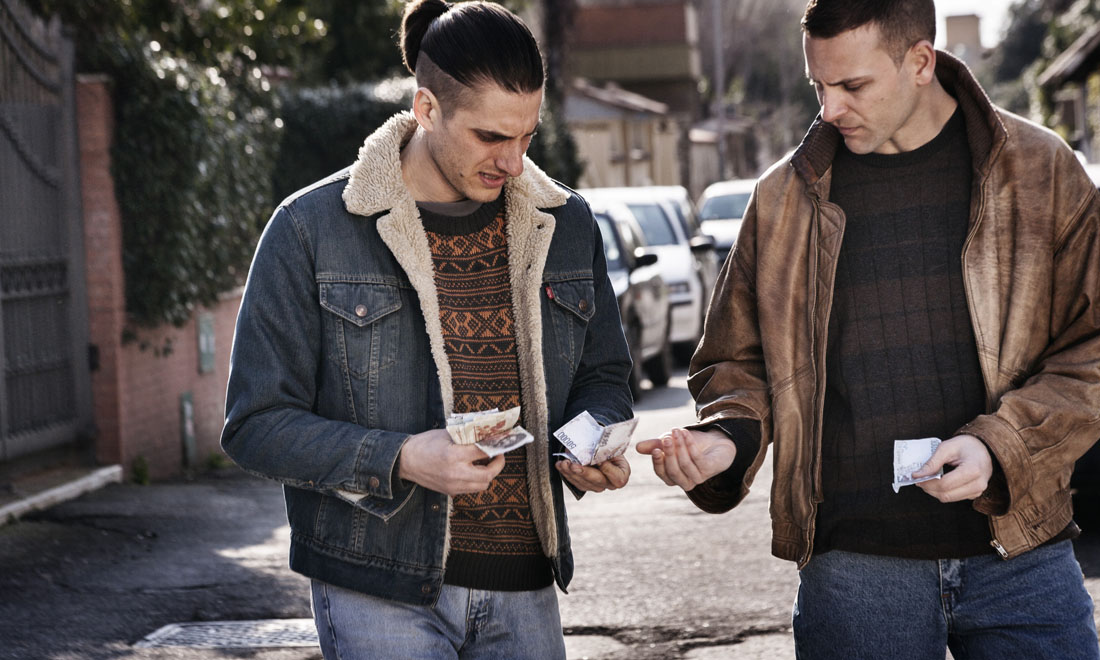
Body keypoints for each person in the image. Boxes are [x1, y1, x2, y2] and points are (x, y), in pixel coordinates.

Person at [638, 0, 1100, 657]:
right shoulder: (782, 200)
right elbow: (735, 367)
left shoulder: (1041, 172)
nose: (829, 110)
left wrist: (1002, 446)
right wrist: (727, 440)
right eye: (817, 87)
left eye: (853, 86)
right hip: (852, 569)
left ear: (920, 62)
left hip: (1021, 553)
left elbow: (1092, 349)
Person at [221, 2, 634, 657]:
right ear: (426, 108)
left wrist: (589, 442)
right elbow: (255, 426)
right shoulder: (310, 229)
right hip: (375, 587)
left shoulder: (568, 225)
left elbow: (605, 374)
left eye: (527, 136)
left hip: (526, 586)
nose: (515, 162)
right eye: (491, 138)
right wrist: (403, 458)